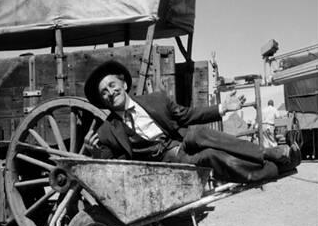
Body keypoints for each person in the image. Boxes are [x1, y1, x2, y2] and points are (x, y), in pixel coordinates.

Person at [83, 61, 300, 184]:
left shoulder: (156, 100)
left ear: (123, 84)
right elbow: (110, 164)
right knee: (211, 157)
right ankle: (275, 168)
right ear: (103, 101)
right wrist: (94, 152)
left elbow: (187, 116)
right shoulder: (106, 131)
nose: (111, 93)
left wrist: (223, 108)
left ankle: (268, 153)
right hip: (170, 162)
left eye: (112, 85)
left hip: (182, 140)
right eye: (104, 92)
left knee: (199, 133)